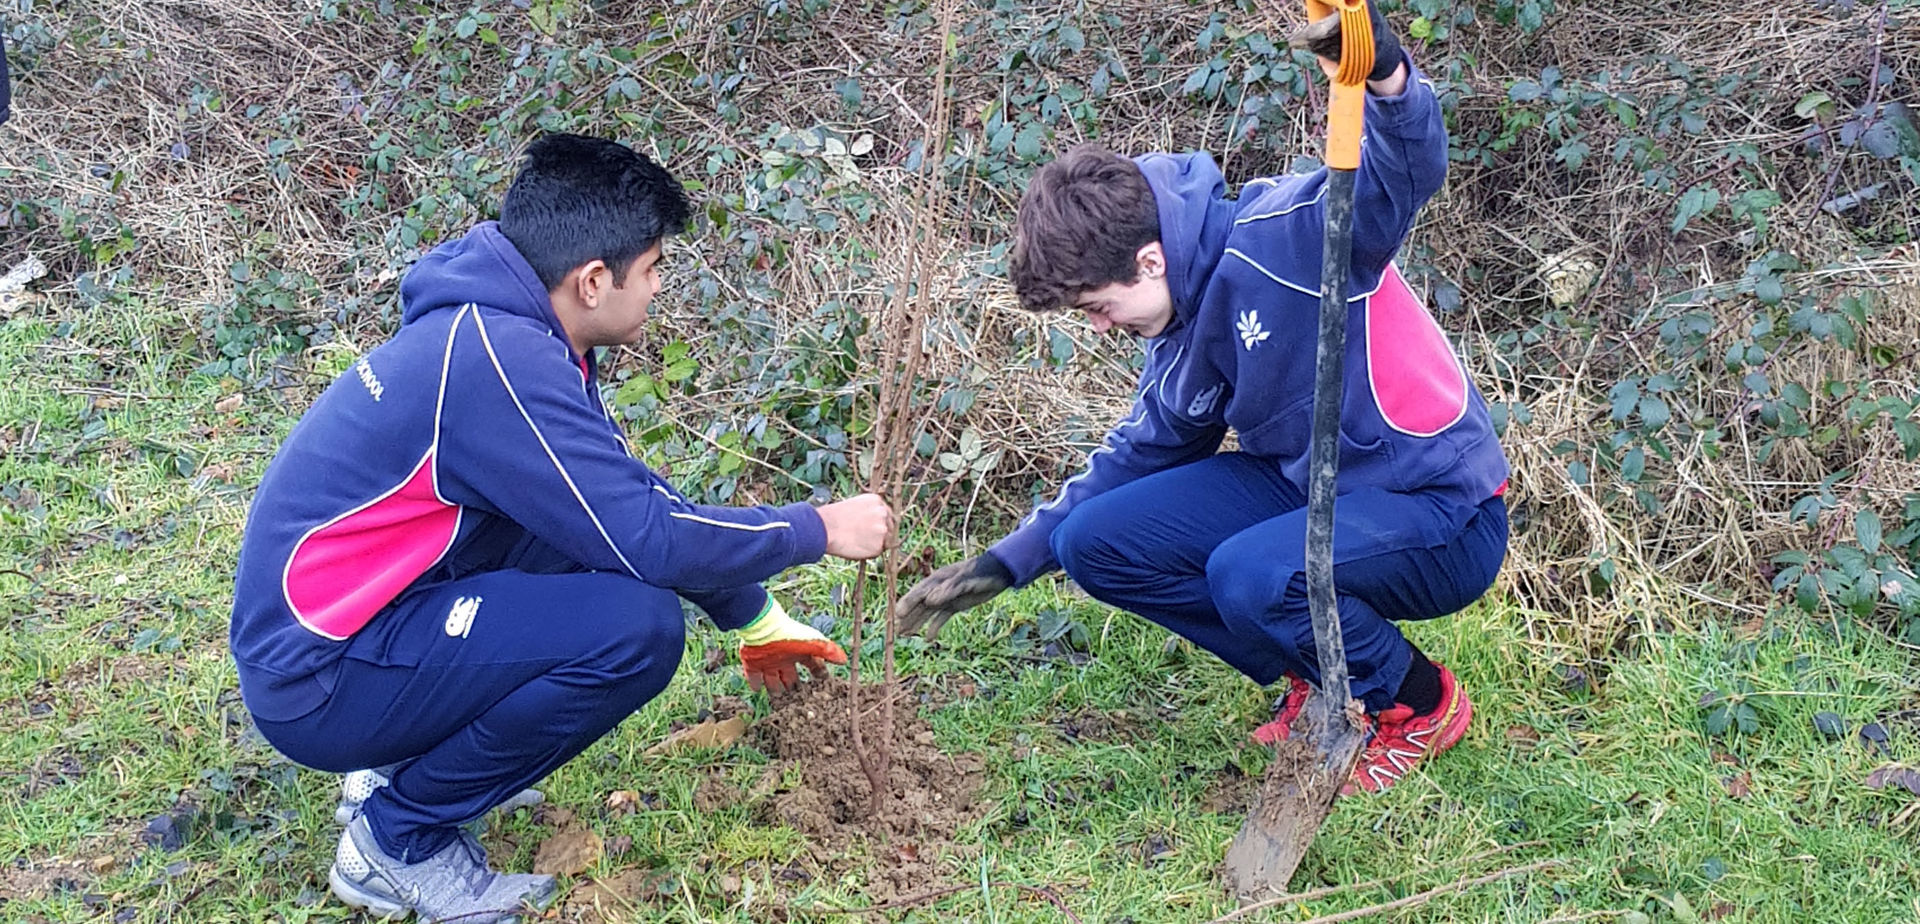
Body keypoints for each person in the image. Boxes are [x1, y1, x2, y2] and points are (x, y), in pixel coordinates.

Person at [230, 134, 891, 923]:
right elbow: (645, 534)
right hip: (319, 680)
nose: (656, 290)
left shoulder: (506, 326)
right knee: (634, 629)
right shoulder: (499, 362)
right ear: (591, 281)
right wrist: (814, 527)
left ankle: (400, 762)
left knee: (575, 544)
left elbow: (617, 502)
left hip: (353, 630)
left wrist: (751, 613)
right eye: (651, 271)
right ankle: (396, 839)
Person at [896, 10, 1508, 796]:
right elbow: (1134, 457)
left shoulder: (1287, 235)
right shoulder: (1180, 334)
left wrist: (1385, 74)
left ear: (1149, 259)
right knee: (1096, 543)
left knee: (1251, 572)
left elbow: (1405, 173)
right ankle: (1317, 671)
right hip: (1307, 488)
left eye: (1097, 306)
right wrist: (1008, 562)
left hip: (1438, 508)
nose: (1101, 326)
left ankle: (1418, 703)